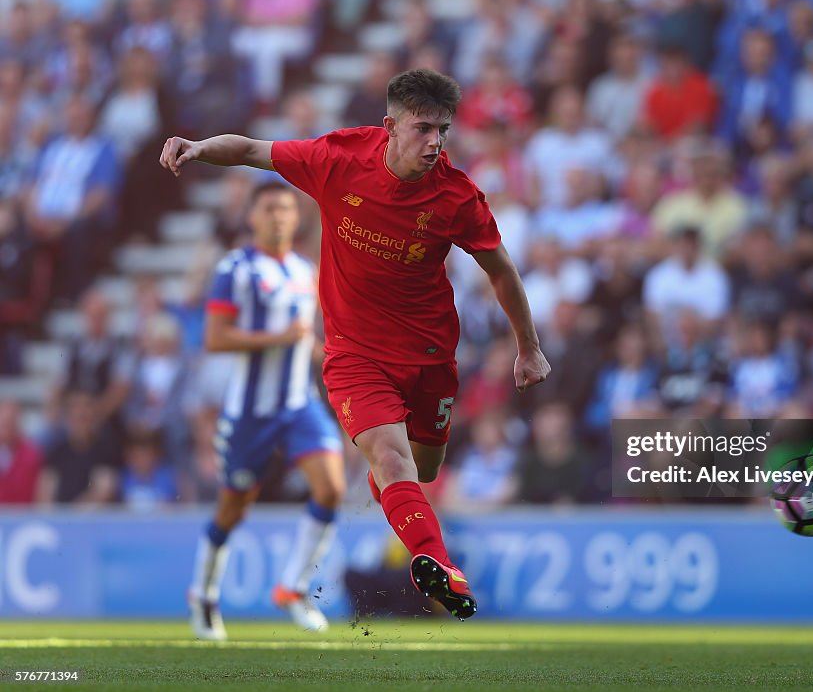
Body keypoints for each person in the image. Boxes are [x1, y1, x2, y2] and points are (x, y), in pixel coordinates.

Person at [160, 68, 551, 621]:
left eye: (443, 130)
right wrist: (198, 147)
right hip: (354, 356)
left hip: (430, 356)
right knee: (392, 460)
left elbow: (501, 270)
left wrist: (528, 347)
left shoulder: (456, 196)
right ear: (389, 126)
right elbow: (249, 148)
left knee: (422, 468)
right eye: (422, 129)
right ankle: (437, 566)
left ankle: (393, 498)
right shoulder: (338, 159)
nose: (435, 142)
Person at [184, 182, 346, 641]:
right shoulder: (235, 269)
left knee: (331, 487)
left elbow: (302, 337)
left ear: (296, 219)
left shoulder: (303, 270)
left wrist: (325, 355)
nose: (279, 217)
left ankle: (293, 588)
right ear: (252, 217)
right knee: (233, 508)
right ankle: (204, 593)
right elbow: (214, 338)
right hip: (249, 413)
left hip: (298, 404)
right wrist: (276, 339)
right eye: (270, 209)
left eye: (286, 210)